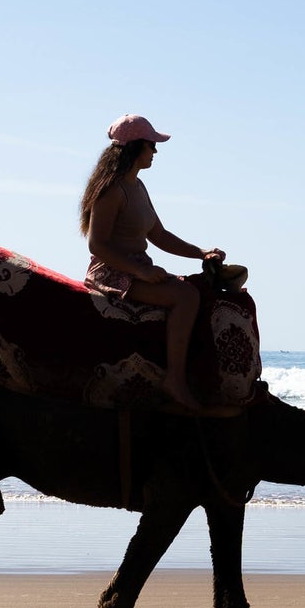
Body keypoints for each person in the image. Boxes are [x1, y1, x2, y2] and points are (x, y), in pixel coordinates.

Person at [79, 115, 225, 414]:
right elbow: (97, 244)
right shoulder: (112, 189)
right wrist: (140, 271)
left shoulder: (138, 186)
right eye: (151, 145)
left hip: (136, 267)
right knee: (186, 297)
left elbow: (158, 234)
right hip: (112, 271)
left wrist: (202, 252)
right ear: (135, 148)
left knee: (196, 288)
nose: (155, 152)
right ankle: (175, 381)